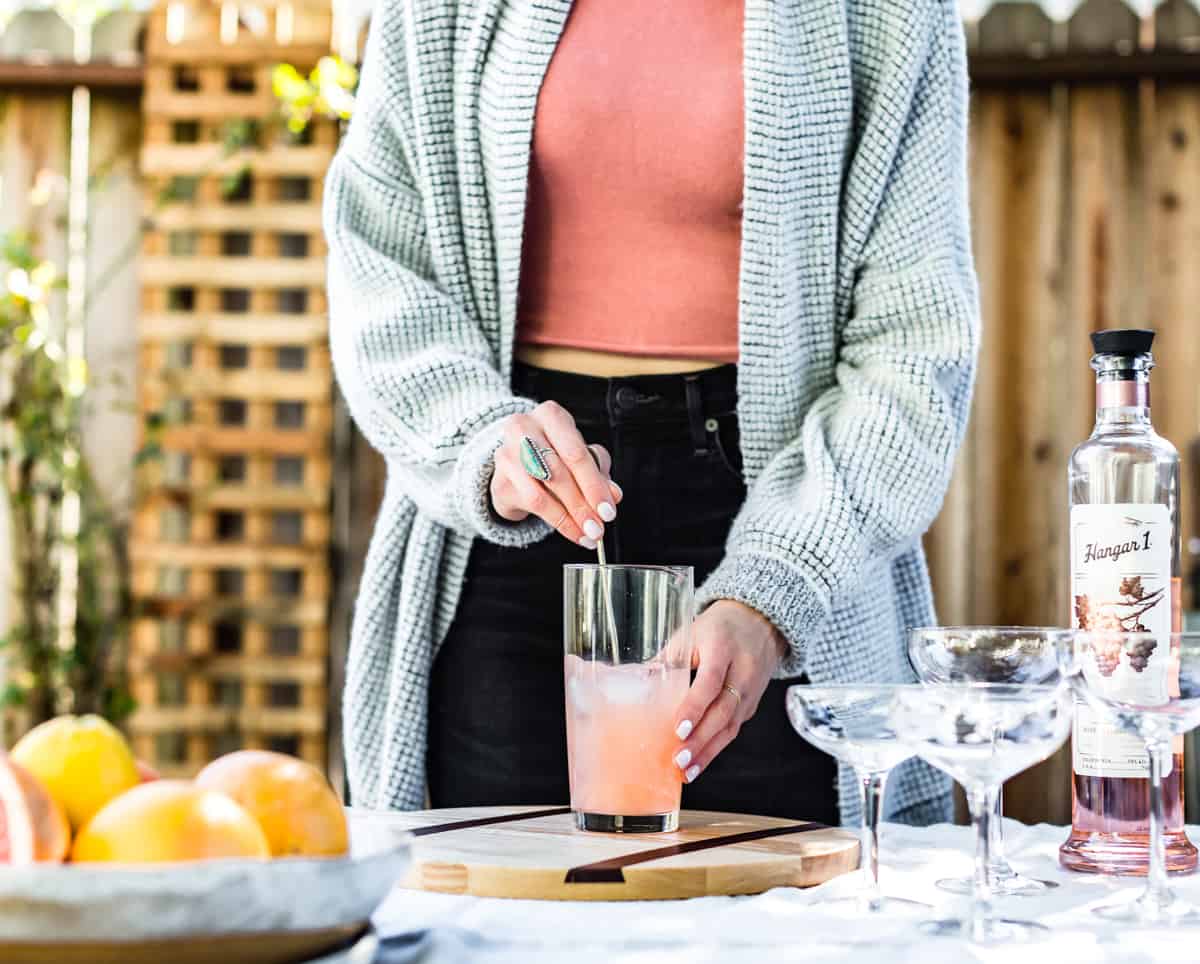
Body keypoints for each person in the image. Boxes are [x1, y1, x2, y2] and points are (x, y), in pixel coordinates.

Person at [325, 0, 979, 827]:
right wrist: (480, 443)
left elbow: (915, 344)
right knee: (506, 916)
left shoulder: (886, 13)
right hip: (518, 509)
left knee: (788, 921)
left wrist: (775, 595)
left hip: (782, 509)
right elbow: (381, 268)